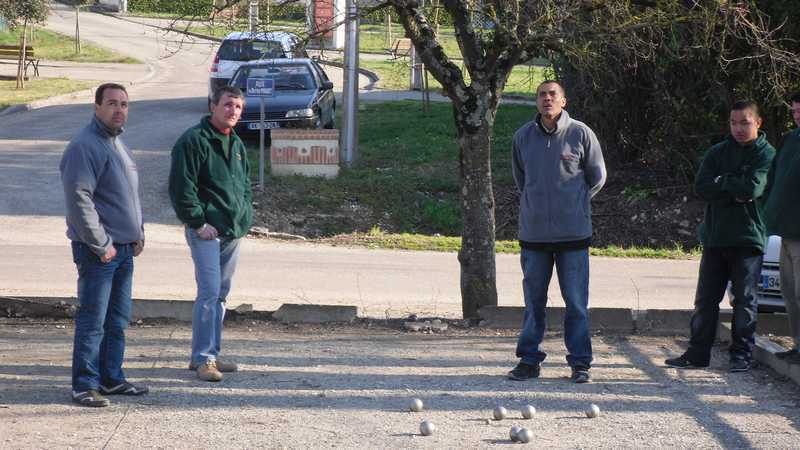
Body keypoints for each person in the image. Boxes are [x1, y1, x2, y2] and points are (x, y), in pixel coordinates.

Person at [666, 100, 775, 372]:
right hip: (715, 237)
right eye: (734, 122)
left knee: (744, 300)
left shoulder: (766, 154)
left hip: (748, 238)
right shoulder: (717, 152)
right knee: (705, 299)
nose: (738, 128)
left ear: (758, 123)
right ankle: (697, 353)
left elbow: (753, 187)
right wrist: (732, 187)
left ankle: (741, 355)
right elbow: (702, 187)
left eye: (745, 122)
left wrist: (721, 182)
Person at [508, 80, 607, 383]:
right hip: (534, 235)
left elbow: (597, 176)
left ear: (563, 101)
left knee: (576, 302)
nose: (547, 99)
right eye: (542, 95)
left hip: (573, 235)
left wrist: (574, 202)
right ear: (536, 101)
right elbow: (521, 179)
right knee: (533, 302)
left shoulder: (581, 134)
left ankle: (580, 363)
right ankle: (529, 360)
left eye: (553, 95)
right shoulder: (522, 137)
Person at [60, 83, 148, 407]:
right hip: (100, 253)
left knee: (117, 321)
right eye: (112, 103)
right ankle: (84, 385)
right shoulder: (85, 146)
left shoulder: (118, 144)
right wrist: (102, 244)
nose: (119, 109)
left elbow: (129, 196)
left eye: (124, 104)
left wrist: (139, 233)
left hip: (124, 251)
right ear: (96, 107)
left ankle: (111, 379)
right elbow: (78, 200)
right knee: (92, 322)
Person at [169, 86, 253, 382]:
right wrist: (198, 223)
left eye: (239, 107)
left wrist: (245, 216)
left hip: (233, 231)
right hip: (206, 232)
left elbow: (244, 185)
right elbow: (182, 188)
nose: (233, 111)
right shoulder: (193, 140)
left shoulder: (238, 145)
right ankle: (204, 359)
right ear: (213, 106)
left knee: (221, 295)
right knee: (208, 293)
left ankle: (209, 354)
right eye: (228, 105)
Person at [764, 92, 800, 364]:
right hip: (784, 232)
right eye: (795, 111)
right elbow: (773, 180)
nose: (797, 116)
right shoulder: (789, 140)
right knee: (789, 294)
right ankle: (797, 346)